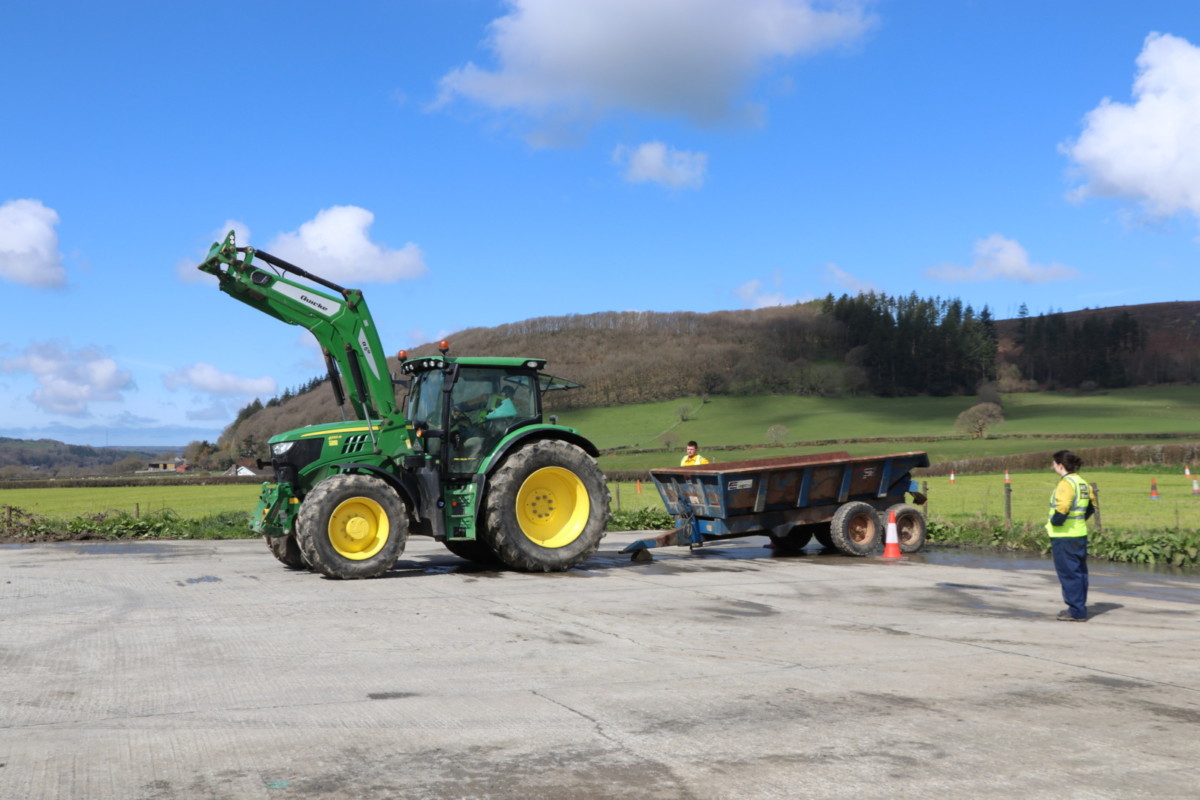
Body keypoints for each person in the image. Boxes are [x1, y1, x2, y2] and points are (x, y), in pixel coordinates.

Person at [1046, 449, 1096, 621]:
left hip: (1064, 535)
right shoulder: (1082, 482)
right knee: (1080, 572)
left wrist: (1056, 522)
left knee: (1069, 573)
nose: (1052, 466)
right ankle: (1079, 607)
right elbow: (1091, 507)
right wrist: (1079, 519)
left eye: (1054, 463)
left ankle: (1076, 611)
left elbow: (1063, 506)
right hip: (1079, 532)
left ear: (1060, 465)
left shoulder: (1066, 483)